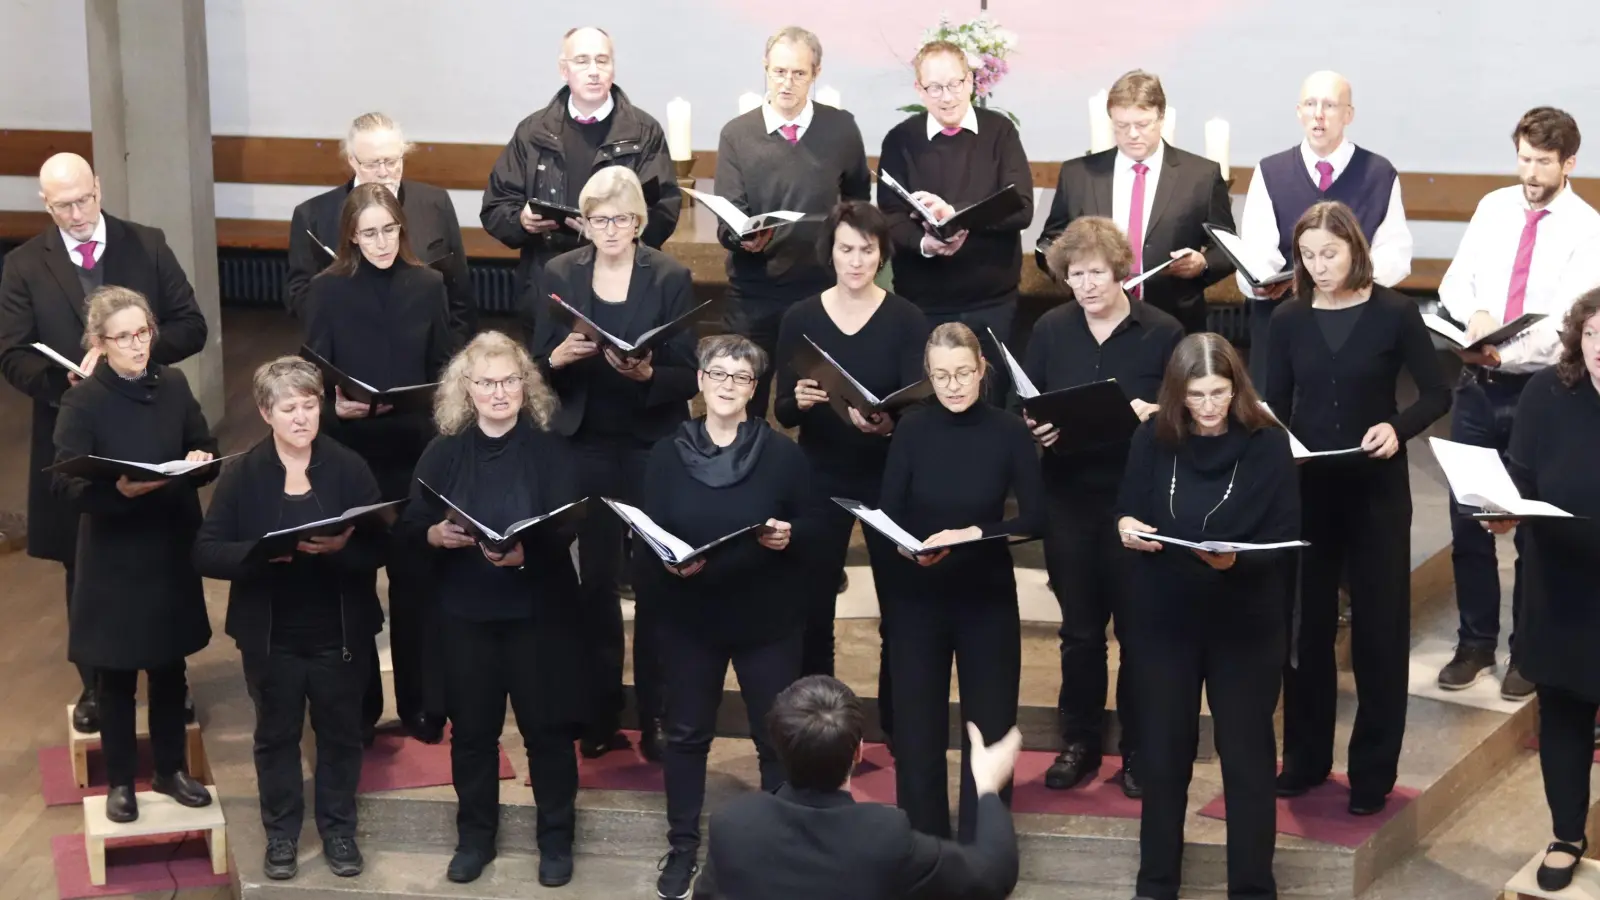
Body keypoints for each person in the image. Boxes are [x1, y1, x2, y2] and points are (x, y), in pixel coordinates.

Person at [0, 152, 207, 734]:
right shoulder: (24, 264)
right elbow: (12, 353)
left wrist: (129, 357)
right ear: (45, 204)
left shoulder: (146, 243)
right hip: (74, 426)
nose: (77, 214)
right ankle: (95, 683)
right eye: (62, 206)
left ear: (99, 187)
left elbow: (191, 325)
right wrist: (65, 380)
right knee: (82, 557)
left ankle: (173, 680)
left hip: (149, 418)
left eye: (84, 199)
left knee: (164, 551)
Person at [1265, 201, 1450, 815]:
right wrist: (1278, 448)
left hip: (1376, 492)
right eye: (1309, 255)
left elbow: (1437, 392)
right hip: (1310, 492)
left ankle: (1372, 772)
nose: (1319, 266)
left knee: (1379, 632)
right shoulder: (1289, 319)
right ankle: (1305, 759)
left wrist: (1398, 429)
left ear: (1355, 249)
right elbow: (1273, 405)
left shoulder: (1394, 313)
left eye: (1331, 253)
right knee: (1307, 632)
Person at [396, 331, 586, 887]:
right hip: (465, 614)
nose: (498, 392)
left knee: (546, 733)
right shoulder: (444, 451)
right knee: (473, 734)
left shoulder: (550, 449)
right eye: (486, 382)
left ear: (525, 387)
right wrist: (434, 534)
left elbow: (570, 521)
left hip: (535, 612)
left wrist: (531, 550)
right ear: (466, 389)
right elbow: (411, 525)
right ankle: (474, 839)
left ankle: (555, 841)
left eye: (509, 381)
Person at [1116, 333, 1299, 900]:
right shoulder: (1152, 436)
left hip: (1244, 621)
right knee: (1164, 756)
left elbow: (1285, 535)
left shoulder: (1267, 443)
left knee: (1246, 760)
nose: (1209, 406)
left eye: (1219, 392)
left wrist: (1231, 560)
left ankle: (1251, 887)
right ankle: (1156, 885)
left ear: (1237, 388)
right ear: (1177, 393)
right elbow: (1128, 506)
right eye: (1196, 395)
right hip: (1165, 619)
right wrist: (1127, 528)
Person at [192, 357, 385, 881]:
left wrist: (342, 549)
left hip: (338, 632)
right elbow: (206, 552)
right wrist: (256, 555)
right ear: (265, 412)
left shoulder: (348, 466)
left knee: (341, 735)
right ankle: (280, 836)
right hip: (271, 635)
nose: (302, 417)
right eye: (288, 408)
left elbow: (383, 546)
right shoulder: (244, 473)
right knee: (276, 738)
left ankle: (339, 830)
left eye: (309, 404)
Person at [532, 166, 700, 760]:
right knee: (593, 582)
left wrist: (651, 372)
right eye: (598, 219)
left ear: (639, 224)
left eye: (622, 219)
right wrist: (558, 355)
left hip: (652, 443)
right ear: (583, 221)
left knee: (656, 582)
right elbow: (534, 365)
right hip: (586, 443)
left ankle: (655, 714)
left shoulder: (670, 276)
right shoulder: (559, 273)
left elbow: (688, 371)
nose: (610, 229)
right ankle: (599, 711)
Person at [1434, 107, 1600, 699]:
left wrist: (1506, 352)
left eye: (1543, 163)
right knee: (1470, 517)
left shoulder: (1587, 226)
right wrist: (1476, 317)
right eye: (1524, 158)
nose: (1530, 173)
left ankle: (1526, 652)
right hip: (1478, 387)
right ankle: (1475, 641)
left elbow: (1570, 316)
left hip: (1540, 391)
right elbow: (1458, 280)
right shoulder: (1494, 207)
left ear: (1569, 163)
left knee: (1533, 525)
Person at [641, 334, 814, 899]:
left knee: (775, 740)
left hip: (766, 619)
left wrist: (790, 538)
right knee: (687, 736)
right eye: (718, 374)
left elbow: (813, 532)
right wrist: (669, 566)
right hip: (691, 617)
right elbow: (644, 539)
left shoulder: (783, 454)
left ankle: (777, 850)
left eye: (740, 378)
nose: (727, 386)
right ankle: (683, 845)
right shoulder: (666, 454)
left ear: (754, 389)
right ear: (699, 381)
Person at [1029, 217, 1184, 797]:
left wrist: (1154, 414)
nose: (1087, 285)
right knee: (1080, 633)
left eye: (1096, 272)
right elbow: (1030, 400)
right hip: (1068, 496)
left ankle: (1139, 751)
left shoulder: (1161, 331)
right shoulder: (1050, 329)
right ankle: (1079, 743)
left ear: (1121, 271)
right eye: (1075, 274)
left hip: (1136, 499)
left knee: (1140, 631)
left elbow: (1188, 411)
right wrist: (1035, 428)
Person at [51, 286, 217, 823]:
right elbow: (66, 485)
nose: (138, 345)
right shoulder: (83, 400)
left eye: (143, 332)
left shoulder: (172, 383)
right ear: (100, 343)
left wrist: (198, 459)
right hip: (114, 553)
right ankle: (122, 781)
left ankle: (170, 770)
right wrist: (117, 492)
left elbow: (205, 447)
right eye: (123, 338)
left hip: (168, 542)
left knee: (170, 668)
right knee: (116, 676)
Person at [305, 182, 457, 744]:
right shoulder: (327, 290)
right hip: (352, 452)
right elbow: (313, 369)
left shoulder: (428, 284)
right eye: (369, 232)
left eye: (390, 230)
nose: (381, 241)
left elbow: (445, 366)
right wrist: (332, 402)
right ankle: (362, 709)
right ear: (350, 235)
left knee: (417, 585)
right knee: (354, 585)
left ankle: (423, 705)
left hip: (414, 450)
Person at [878, 322, 1043, 840]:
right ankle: (922, 844)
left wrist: (978, 531)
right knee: (918, 730)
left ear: (982, 370)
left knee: (989, 728)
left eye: (964, 373)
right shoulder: (912, 429)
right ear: (927, 376)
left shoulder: (1008, 431)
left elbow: (1037, 518)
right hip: (918, 596)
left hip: (985, 597)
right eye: (941, 375)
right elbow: (889, 511)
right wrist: (906, 545)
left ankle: (984, 846)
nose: (953, 385)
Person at [773, 201, 930, 718]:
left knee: (901, 605)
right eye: (847, 249)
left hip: (889, 473)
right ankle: (817, 718)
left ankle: (896, 716)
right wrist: (803, 400)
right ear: (831, 252)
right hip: (819, 470)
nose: (857, 260)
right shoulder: (801, 316)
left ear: (881, 253)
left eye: (867, 250)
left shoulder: (907, 317)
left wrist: (888, 421)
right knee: (812, 603)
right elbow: (784, 409)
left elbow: (919, 403)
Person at [693, 675, 1021, 900]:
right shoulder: (885, 836)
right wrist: (989, 788)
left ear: (778, 748)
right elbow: (994, 875)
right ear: (859, 752)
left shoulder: (733, 824)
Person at [1492, 289, 1600, 892]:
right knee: (1562, 712)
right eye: (1590, 336)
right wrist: (1502, 512)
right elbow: (1521, 479)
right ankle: (1566, 833)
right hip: (1559, 582)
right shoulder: (1546, 394)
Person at [713, 25, 872, 415]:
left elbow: (858, 202)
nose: (787, 83)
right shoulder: (737, 134)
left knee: (821, 404)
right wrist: (741, 239)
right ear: (765, 68)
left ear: (815, 74)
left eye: (799, 73)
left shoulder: (841, 129)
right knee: (742, 405)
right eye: (778, 71)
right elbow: (727, 218)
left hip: (822, 291)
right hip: (754, 293)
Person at [481, 26, 680, 325]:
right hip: (549, 282)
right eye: (582, 61)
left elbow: (664, 210)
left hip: (622, 284)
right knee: (551, 369)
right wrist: (521, 221)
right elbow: (495, 208)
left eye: (602, 61)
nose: (594, 71)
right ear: (564, 69)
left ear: (613, 68)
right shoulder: (533, 132)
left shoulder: (643, 131)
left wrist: (611, 230)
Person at [1237, 71, 1413, 389]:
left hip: (1354, 325)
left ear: (1349, 114)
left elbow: (1395, 253)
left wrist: (1350, 282)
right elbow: (1257, 249)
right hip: (1284, 326)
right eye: (1310, 103)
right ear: (1298, 111)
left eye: (1330, 105)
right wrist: (1259, 282)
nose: (1318, 115)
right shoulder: (1270, 171)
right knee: (1277, 424)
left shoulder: (1378, 173)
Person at [877, 40, 1033, 398]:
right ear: (919, 88)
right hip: (923, 304)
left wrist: (957, 215)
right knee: (928, 406)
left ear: (971, 82)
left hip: (992, 304)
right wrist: (925, 244)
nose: (946, 97)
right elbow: (890, 216)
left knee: (991, 405)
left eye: (955, 85)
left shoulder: (1000, 132)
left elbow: (1021, 207)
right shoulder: (901, 140)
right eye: (934, 87)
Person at [1037, 70, 1236, 335]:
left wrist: (1202, 262)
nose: (1132, 134)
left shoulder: (1200, 175)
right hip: (1092, 321)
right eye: (1121, 126)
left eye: (1142, 124)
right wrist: (1064, 265)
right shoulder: (1079, 175)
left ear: (1161, 118)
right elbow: (1050, 240)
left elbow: (1228, 249)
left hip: (1173, 320)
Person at [287, 111, 477, 338]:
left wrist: (452, 356)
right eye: (371, 164)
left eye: (392, 161)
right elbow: (298, 295)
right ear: (352, 161)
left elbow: (460, 292)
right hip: (349, 345)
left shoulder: (436, 203)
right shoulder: (312, 215)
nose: (384, 172)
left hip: (427, 348)